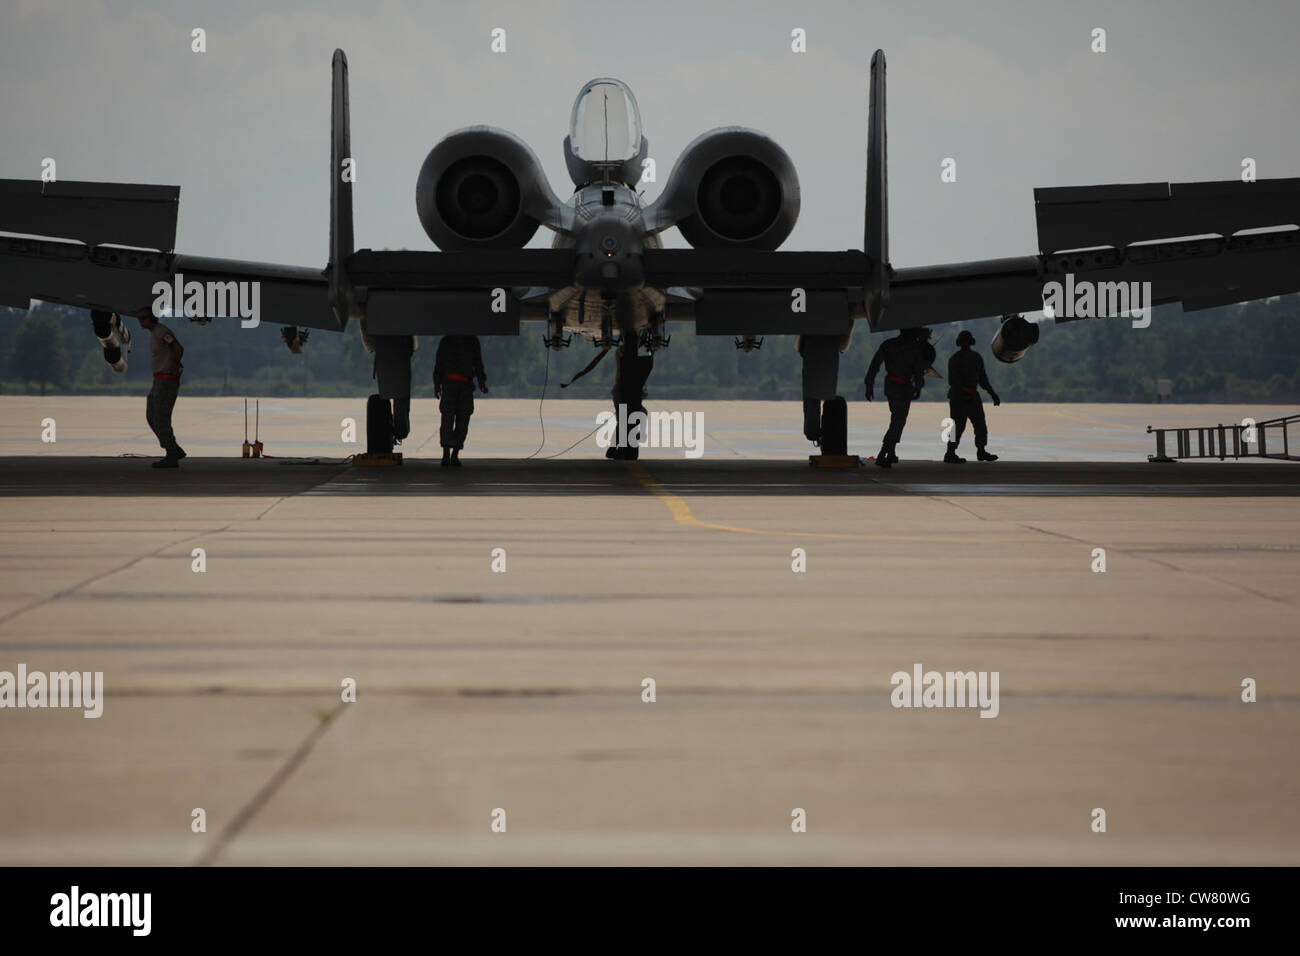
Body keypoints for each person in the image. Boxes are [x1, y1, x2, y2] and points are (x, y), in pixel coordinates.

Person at [864, 326, 935, 468]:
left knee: (897, 419)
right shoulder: (915, 348)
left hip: (891, 385)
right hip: (904, 387)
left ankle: (891, 452)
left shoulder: (888, 344)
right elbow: (918, 370)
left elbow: (874, 366)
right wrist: (918, 387)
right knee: (898, 420)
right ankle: (882, 454)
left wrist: (869, 385)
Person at [135, 308, 186, 468]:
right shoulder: (154, 333)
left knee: (161, 418)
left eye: (143, 318)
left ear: (151, 318)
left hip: (166, 380)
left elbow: (178, 348)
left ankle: (172, 454)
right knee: (152, 415)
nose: (140, 321)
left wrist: (173, 366)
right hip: (158, 380)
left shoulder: (161, 332)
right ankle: (173, 448)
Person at [945, 330, 1000, 463]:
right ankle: (950, 452)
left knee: (980, 425)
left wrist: (992, 394)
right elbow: (953, 381)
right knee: (957, 427)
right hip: (959, 396)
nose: (966, 344)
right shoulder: (956, 359)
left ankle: (981, 451)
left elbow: (982, 379)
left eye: (967, 342)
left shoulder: (975, 358)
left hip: (970, 396)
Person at [433, 335, 487, 466]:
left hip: (451, 385)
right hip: (463, 386)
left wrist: (437, 384)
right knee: (461, 420)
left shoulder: (446, 340)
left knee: (448, 419)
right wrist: (481, 382)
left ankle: (447, 455)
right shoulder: (472, 340)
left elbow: (439, 364)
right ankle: (452, 455)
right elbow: (478, 363)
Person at [606, 342, 654, 460]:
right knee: (626, 420)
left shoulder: (626, 362)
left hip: (622, 391)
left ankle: (614, 448)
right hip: (621, 391)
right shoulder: (620, 357)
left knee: (625, 420)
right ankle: (614, 448)